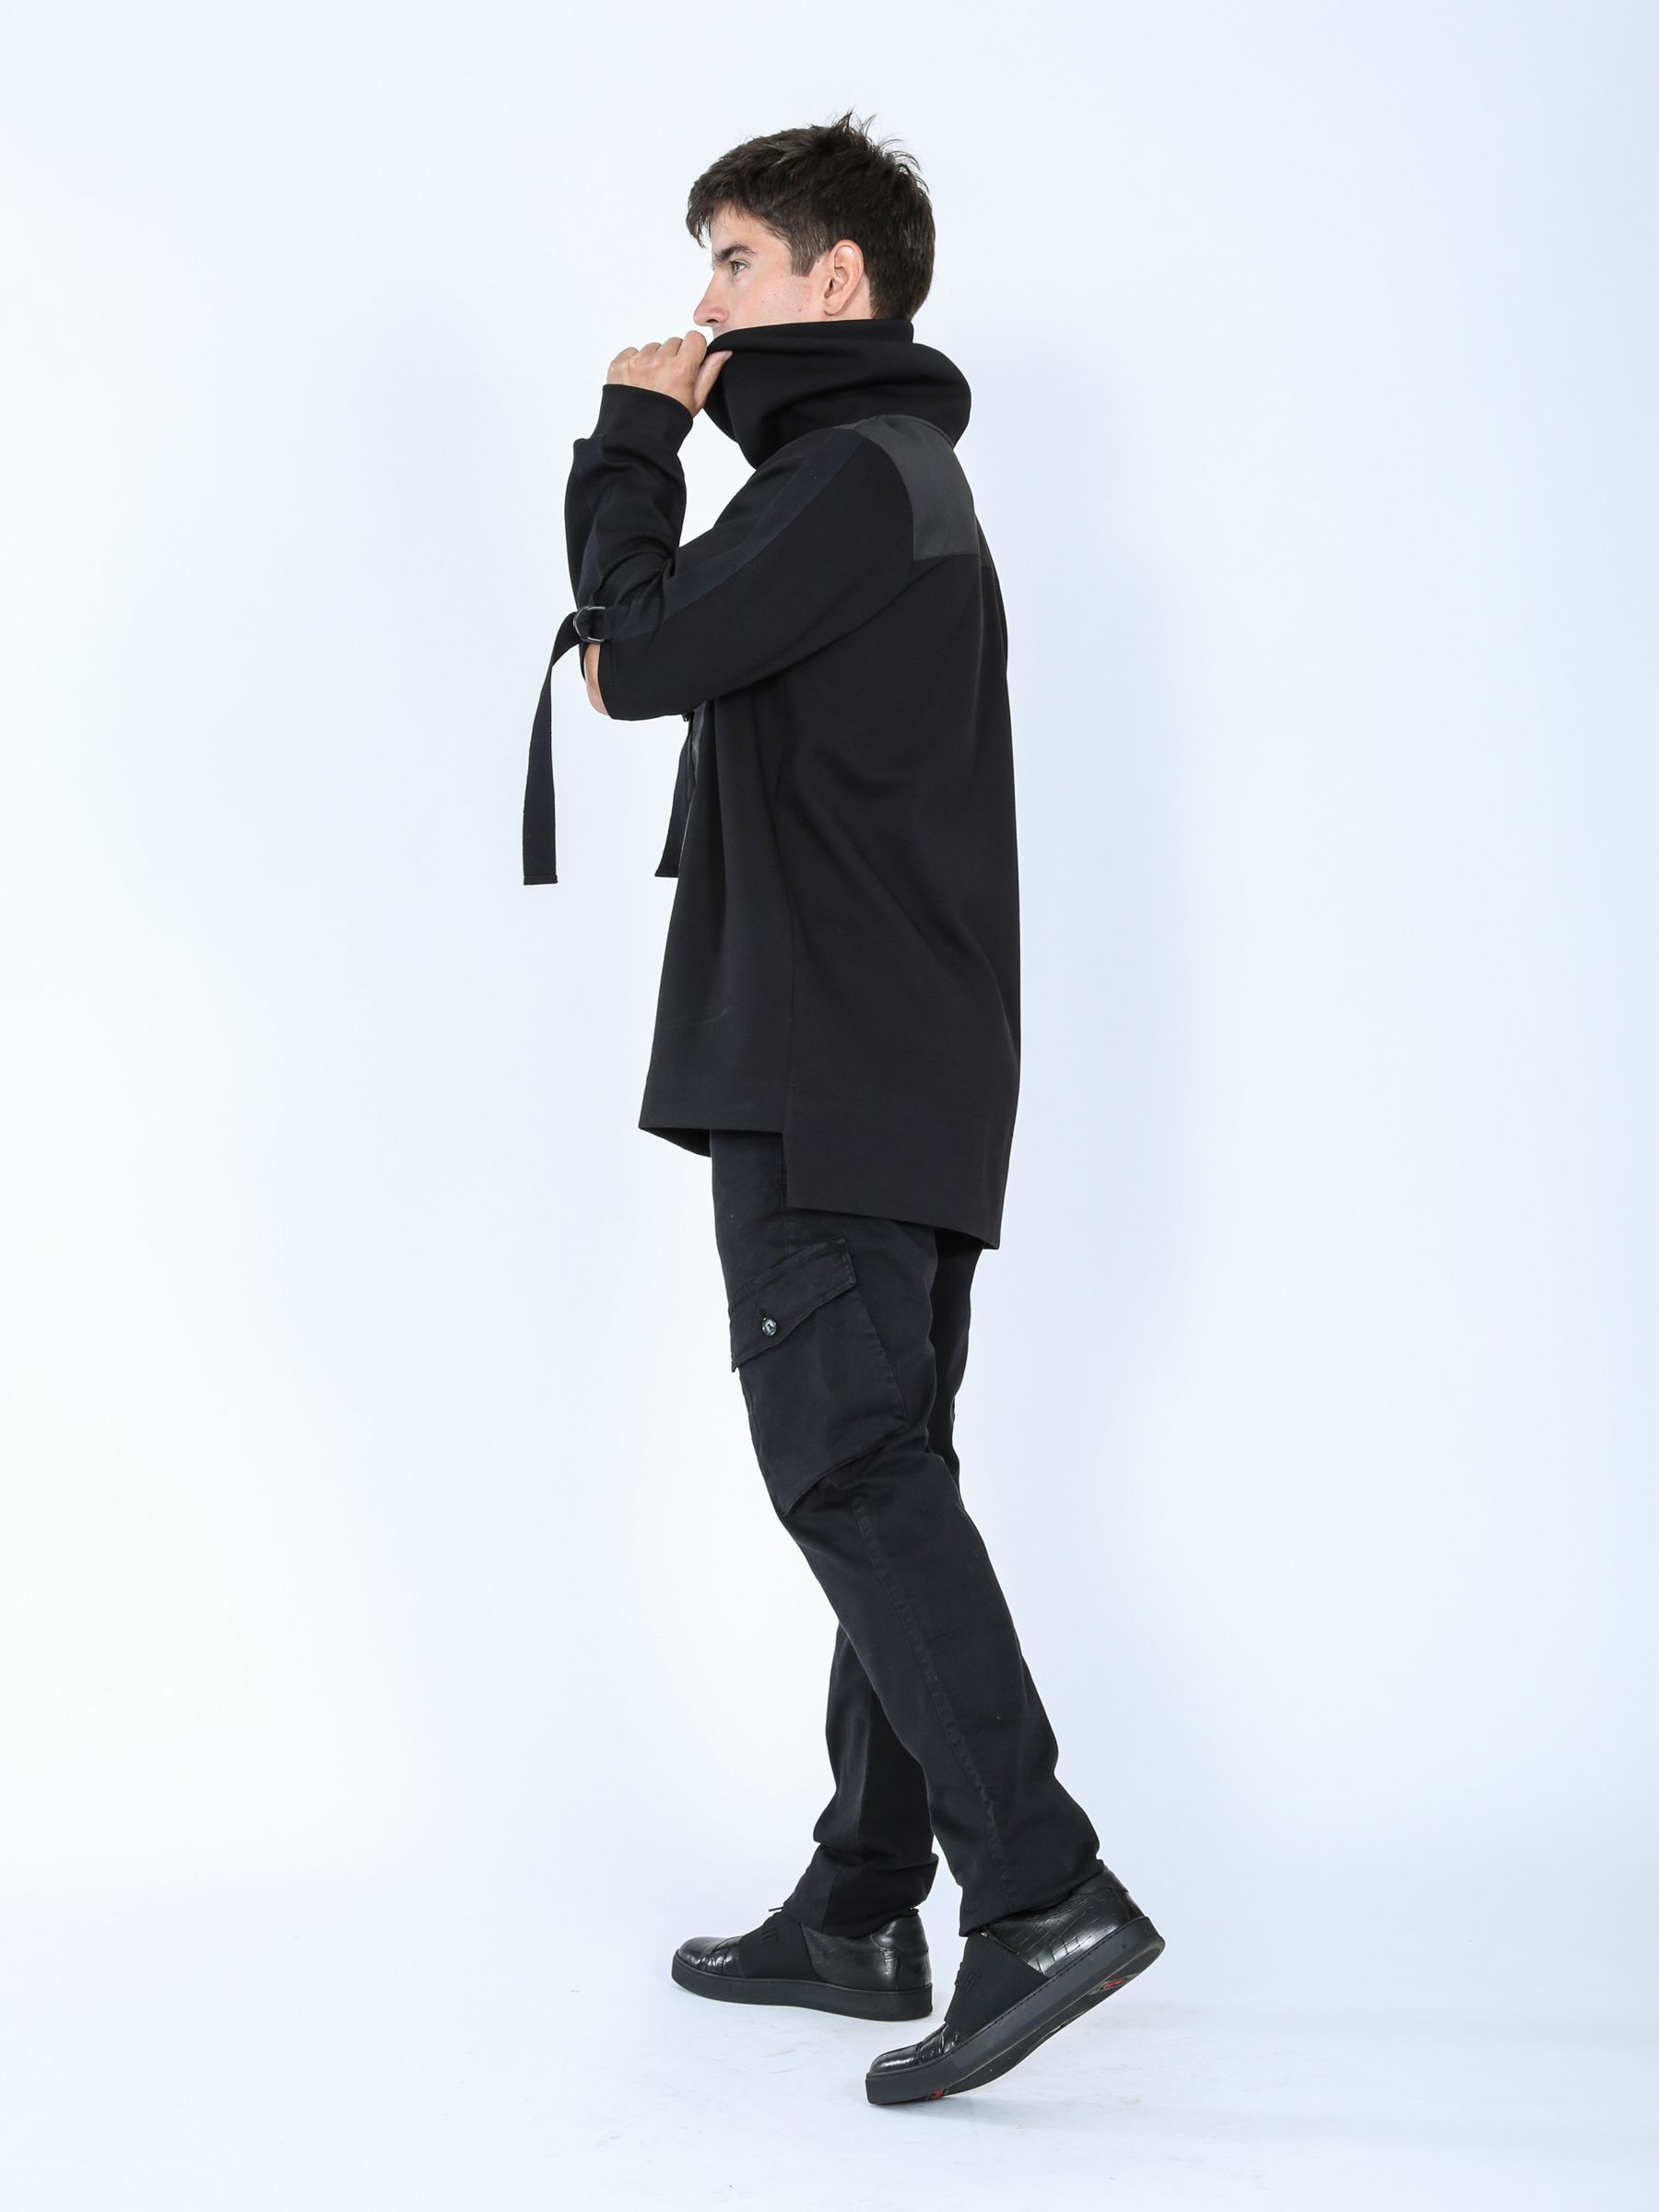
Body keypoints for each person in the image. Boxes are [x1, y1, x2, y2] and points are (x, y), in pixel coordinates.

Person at [525, 114, 1163, 2105]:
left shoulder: (848, 479)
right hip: (900, 1063)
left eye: (733, 259)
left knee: (852, 1471)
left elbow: (631, 659)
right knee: (885, 1461)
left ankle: (1039, 1890)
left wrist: (629, 444)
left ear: (837, 281)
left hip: (834, 1064)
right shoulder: (880, 480)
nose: (701, 300)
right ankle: (865, 1903)